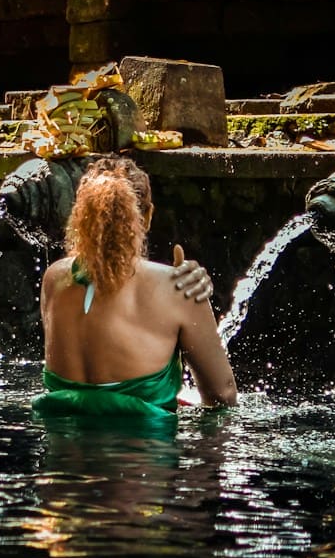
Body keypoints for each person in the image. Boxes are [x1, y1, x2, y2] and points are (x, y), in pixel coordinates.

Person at [34, 156, 236, 420]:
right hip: (143, 458)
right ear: (147, 216)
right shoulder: (179, 287)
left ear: (81, 216)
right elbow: (222, 395)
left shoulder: (54, 279)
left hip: (63, 458)